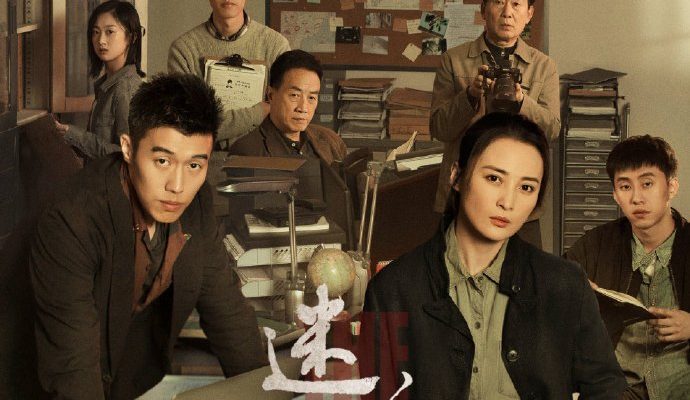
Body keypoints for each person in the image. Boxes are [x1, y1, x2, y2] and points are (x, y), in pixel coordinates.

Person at [30, 74, 267, 400]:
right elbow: (72, 370)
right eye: (162, 161)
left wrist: (269, 394)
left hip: (128, 380)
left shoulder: (196, 204)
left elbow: (229, 315)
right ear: (128, 148)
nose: (177, 186)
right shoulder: (72, 220)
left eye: (194, 166)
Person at [359, 113, 625, 399]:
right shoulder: (392, 289)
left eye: (526, 187)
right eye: (494, 178)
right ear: (456, 176)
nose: (507, 202)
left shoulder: (565, 284)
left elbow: (606, 386)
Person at [565, 135, 690, 399]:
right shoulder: (595, 245)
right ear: (615, 195)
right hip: (618, 387)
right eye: (625, 186)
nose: (636, 198)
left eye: (647, 184)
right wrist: (577, 297)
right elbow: (551, 296)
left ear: (671, 187)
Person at [430, 0, 560, 245]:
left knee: (524, 266)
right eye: (499, 2)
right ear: (483, 10)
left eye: (516, 4)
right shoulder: (454, 60)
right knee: (454, 264)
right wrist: (470, 95)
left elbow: (552, 130)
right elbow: (439, 128)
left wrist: (522, 102)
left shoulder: (543, 67)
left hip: (520, 199)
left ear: (529, 13)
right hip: (464, 194)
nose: (507, 13)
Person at [168, 0, 290, 147]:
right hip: (201, 156)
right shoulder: (184, 49)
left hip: (262, 155)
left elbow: (285, 114)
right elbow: (189, 125)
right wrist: (257, 114)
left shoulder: (276, 46)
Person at [55, 0, 145, 160]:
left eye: (110, 32)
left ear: (132, 37)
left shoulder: (126, 89)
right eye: (96, 32)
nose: (101, 40)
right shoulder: (106, 85)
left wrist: (74, 135)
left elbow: (127, 155)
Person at [228, 49, 347, 166]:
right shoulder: (247, 151)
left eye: (311, 97)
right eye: (294, 95)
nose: (303, 108)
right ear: (271, 95)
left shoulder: (331, 141)